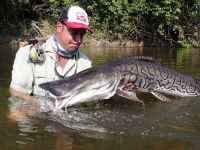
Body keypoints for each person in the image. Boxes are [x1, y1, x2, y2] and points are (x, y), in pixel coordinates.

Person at [9, 5, 92, 101]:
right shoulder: (26, 53)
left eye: (82, 34)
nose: (79, 40)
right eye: (74, 32)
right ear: (59, 27)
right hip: (35, 112)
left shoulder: (85, 63)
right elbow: (18, 94)